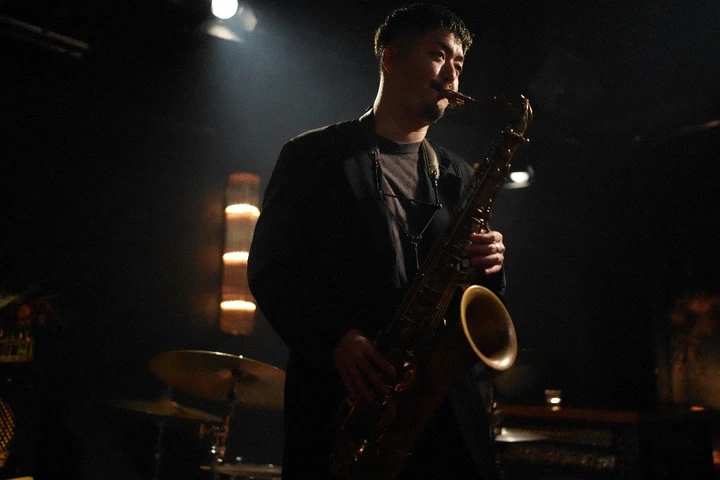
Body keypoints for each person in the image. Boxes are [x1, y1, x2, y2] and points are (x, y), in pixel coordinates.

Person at [248, 4, 507, 479]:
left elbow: (474, 294)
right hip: (348, 399)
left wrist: (488, 263)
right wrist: (335, 338)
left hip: (442, 413)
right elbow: (272, 270)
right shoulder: (312, 156)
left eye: (459, 63)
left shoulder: (460, 175)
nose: (452, 73)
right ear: (390, 58)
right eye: (438, 55)